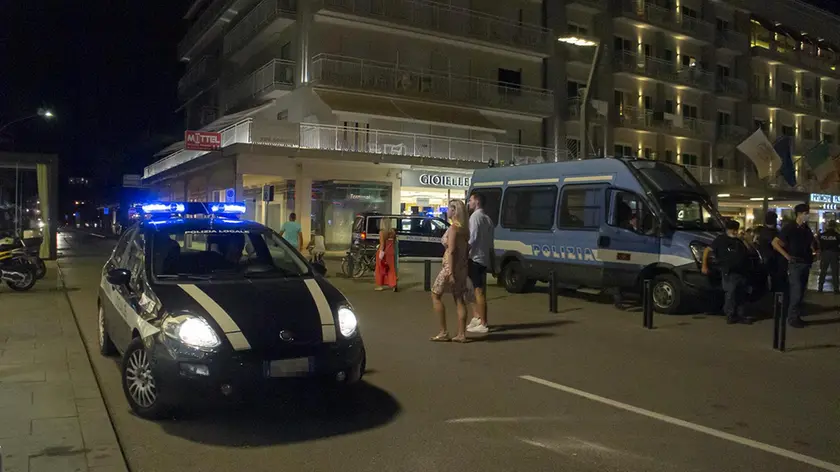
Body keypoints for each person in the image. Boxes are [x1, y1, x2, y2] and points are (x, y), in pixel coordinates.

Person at [430, 200, 470, 343]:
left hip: (450, 268)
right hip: (461, 268)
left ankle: (443, 331)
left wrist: (450, 272)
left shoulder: (453, 228)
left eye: (448, 208)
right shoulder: (464, 229)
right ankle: (461, 334)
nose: (447, 211)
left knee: (435, 295)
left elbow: (452, 250)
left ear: (454, 211)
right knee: (459, 299)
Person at [772, 204, 816, 328]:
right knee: (796, 292)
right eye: (806, 213)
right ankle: (792, 318)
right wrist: (787, 256)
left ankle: (796, 316)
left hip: (805, 263)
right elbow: (775, 243)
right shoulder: (790, 228)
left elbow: (810, 243)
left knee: (801, 292)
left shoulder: (806, 229)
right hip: (795, 264)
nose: (808, 215)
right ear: (800, 214)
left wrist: (814, 252)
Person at [702, 219, 753, 325]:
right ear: (727, 230)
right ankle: (730, 315)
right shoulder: (720, 240)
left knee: (741, 293)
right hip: (729, 271)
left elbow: (749, 250)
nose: (735, 232)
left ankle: (740, 315)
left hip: (741, 271)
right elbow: (707, 250)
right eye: (732, 230)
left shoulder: (738, 241)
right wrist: (704, 265)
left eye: (736, 230)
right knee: (731, 293)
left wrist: (744, 240)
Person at [466, 193, 494, 334]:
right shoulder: (487, 219)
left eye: (470, 200)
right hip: (483, 259)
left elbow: (473, 238)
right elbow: (490, 244)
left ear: (477, 202)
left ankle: (482, 322)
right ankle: (478, 317)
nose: (468, 203)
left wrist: (464, 253)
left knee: (478, 291)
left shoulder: (475, 217)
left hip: (475, 259)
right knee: (477, 290)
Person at [756, 211, 786, 294]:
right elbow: (779, 245)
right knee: (776, 282)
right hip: (773, 260)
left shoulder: (763, 232)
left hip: (765, 258)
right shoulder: (773, 233)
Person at [374, 218, 398, 292]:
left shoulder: (382, 232)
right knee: (391, 269)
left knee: (380, 269)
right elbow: (394, 243)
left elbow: (382, 244)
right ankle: (393, 284)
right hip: (391, 252)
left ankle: (380, 285)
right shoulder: (393, 232)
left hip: (384, 252)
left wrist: (380, 254)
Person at [817, 220, 839, 294]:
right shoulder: (837, 235)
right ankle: (836, 289)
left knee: (823, 271)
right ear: (835, 226)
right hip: (834, 254)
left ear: (828, 226)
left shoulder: (822, 235)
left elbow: (818, 242)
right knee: (835, 272)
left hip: (824, 254)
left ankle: (820, 288)